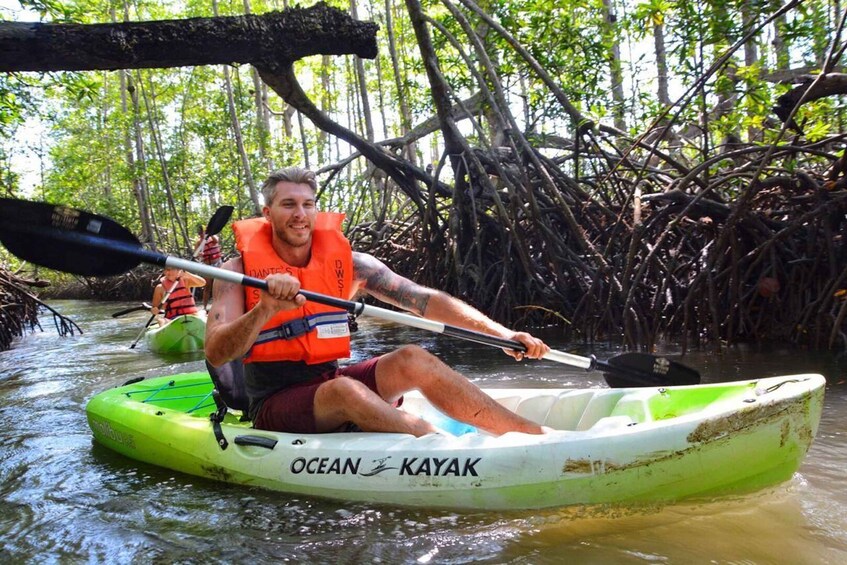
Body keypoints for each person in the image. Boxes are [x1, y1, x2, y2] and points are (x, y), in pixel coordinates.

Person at [205, 167, 551, 437]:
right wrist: (264, 308)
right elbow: (217, 352)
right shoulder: (236, 273)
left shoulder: (352, 265)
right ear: (268, 213)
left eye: (307, 204)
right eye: (288, 204)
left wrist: (501, 334)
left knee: (413, 358)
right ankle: (444, 445)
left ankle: (531, 435)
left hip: (329, 382)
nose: (300, 214)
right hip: (274, 402)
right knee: (343, 390)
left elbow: (424, 301)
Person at [193, 224, 223, 309]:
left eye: (203, 232)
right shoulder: (199, 243)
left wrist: (210, 233)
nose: (202, 235)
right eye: (200, 233)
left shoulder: (212, 237)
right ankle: (205, 307)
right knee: (207, 287)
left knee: (219, 285)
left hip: (218, 264)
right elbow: (195, 255)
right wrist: (199, 254)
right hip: (207, 266)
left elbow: (216, 241)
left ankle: (219, 305)